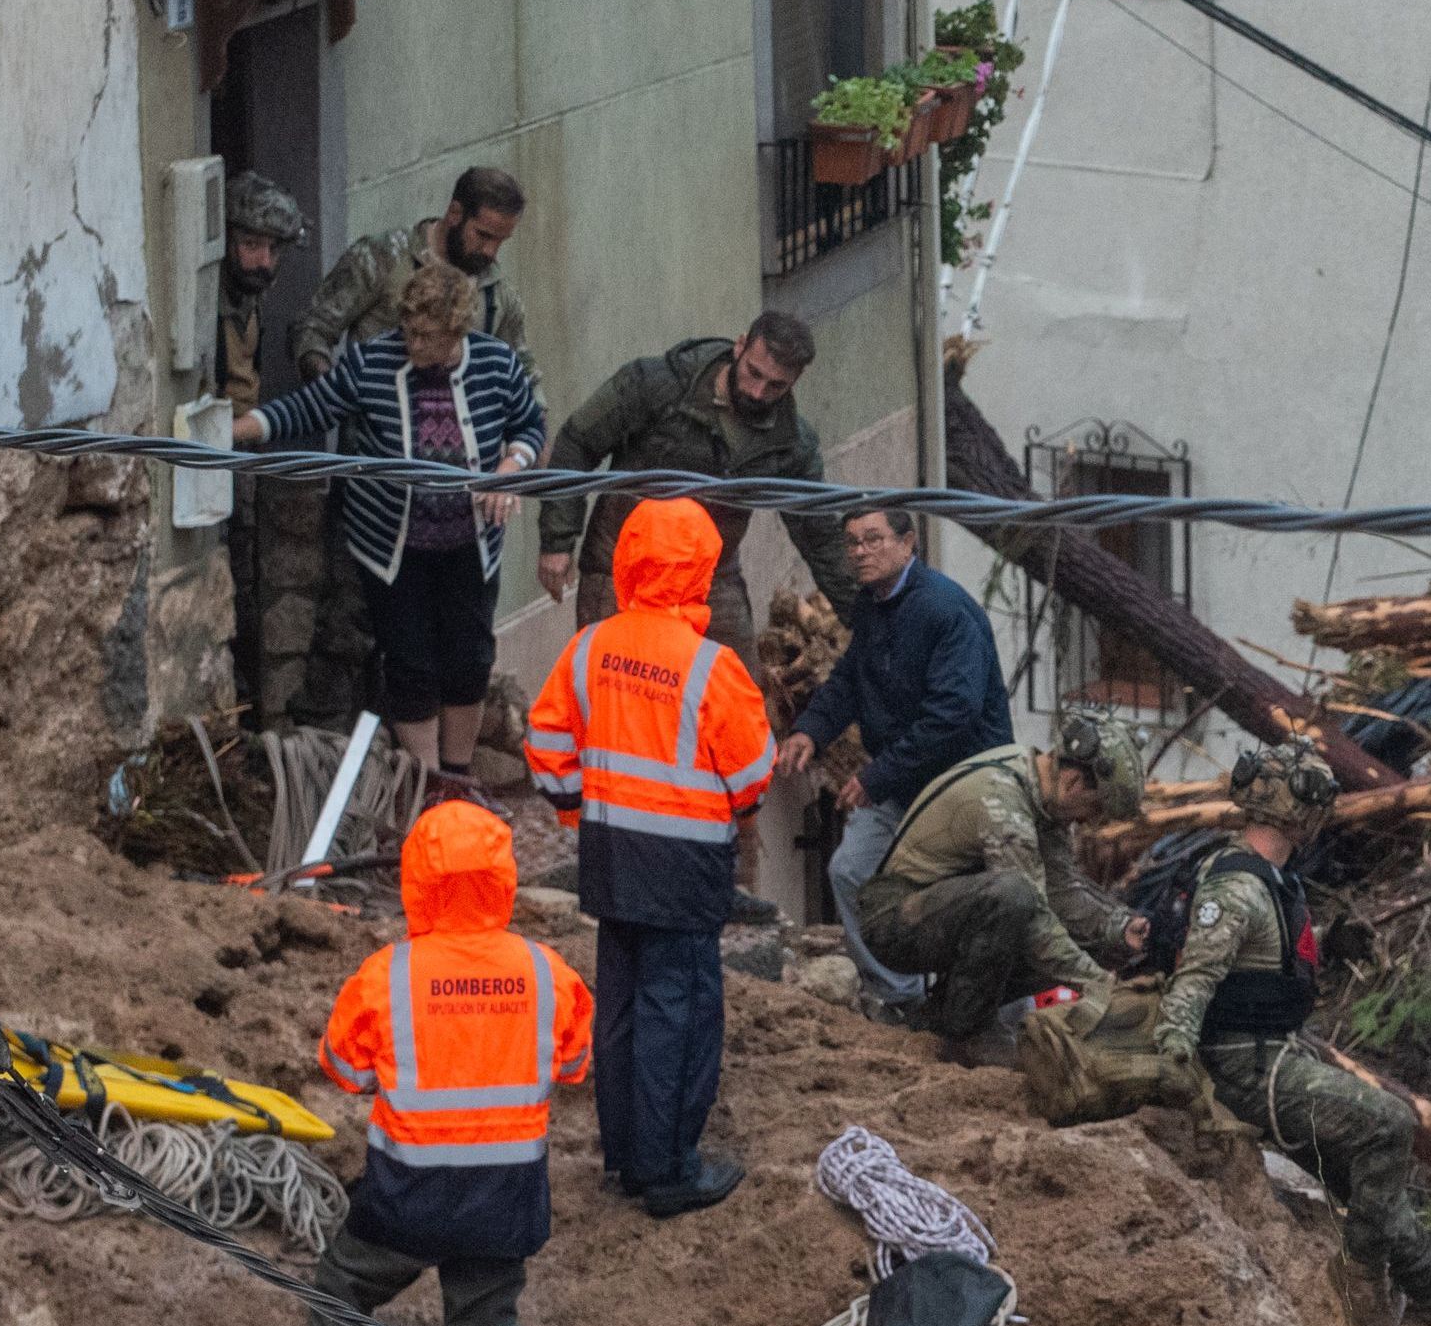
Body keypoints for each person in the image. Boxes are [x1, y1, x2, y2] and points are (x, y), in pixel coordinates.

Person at [1150, 740, 1431, 1326]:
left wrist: (1331, 941)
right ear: (1297, 807)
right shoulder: (1236, 888)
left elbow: (1264, 954)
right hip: (1246, 1065)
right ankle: (1358, 1275)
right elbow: (1195, 980)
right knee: (1388, 1125)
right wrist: (1177, 1063)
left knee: (1366, 1169)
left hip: (1278, 1050)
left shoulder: (1271, 880)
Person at [306, 799, 595, 1326]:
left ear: (416, 881)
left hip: (407, 1194)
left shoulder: (389, 975)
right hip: (505, 1195)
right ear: (504, 880)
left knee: (340, 1297)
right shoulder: (547, 972)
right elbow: (574, 1063)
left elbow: (344, 1070)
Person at [521, 497, 774, 1217]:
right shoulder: (709, 666)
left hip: (609, 855)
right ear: (703, 569)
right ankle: (665, 1172)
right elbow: (754, 772)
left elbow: (545, 743)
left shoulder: (592, 646)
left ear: (627, 560)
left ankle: (625, 1158)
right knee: (681, 1012)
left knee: (622, 1005)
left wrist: (579, 809)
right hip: (685, 864)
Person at [239, 262, 545, 792]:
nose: (413, 342)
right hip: (393, 545)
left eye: (426, 336)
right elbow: (312, 408)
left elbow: (530, 424)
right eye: (408, 330)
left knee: (469, 657)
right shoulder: (373, 362)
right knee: (409, 662)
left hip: (471, 543)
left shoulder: (496, 364)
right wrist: (241, 429)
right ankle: (426, 781)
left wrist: (509, 469)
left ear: (456, 332)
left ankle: (458, 775)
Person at [777, 507, 1009, 1018]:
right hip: (902, 783)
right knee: (850, 870)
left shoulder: (944, 611)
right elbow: (850, 680)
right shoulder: (873, 605)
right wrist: (810, 731)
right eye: (852, 542)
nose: (860, 552)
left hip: (962, 788)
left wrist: (876, 775)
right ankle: (900, 999)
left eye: (873, 539)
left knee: (975, 900)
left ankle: (997, 1016)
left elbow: (954, 713)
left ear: (908, 545)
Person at [534, 310, 857, 642]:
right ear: (740, 346)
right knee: (615, 680)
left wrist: (864, 619)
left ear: (794, 381)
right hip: (623, 565)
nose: (758, 392)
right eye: (753, 373)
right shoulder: (658, 383)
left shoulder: (790, 443)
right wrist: (557, 542)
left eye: (776, 386)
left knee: (735, 684)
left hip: (712, 576)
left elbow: (819, 535)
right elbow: (578, 442)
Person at [852, 708, 1144, 1056]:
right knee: (1014, 898)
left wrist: (1117, 927)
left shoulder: (1042, 798)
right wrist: (1096, 982)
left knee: (1100, 937)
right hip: (892, 919)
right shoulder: (1003, 798)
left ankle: (939, 1017)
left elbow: (1062, 890)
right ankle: (965, 1033)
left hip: (942, 911)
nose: (1087, 822)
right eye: (1094, 810)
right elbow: (1033, 913)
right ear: (1074, 783)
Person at [294, 163, 528, 378]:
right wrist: (334, 393)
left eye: (501, 240)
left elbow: (522, 371)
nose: (490, 251)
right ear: (456, 213)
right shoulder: (384, 256)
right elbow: (312, 329)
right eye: (483, 235)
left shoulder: (497, 290)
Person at [217, 169, 307, 414]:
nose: (265, 261)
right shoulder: (209, 308)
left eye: (274, 249)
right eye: (251, 244)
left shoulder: (249, 294)